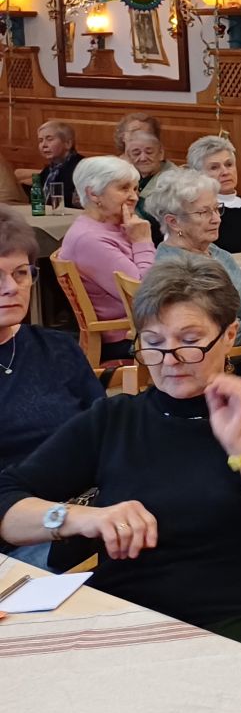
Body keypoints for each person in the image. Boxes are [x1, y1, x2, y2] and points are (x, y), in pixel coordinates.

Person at [0, 256, 241, 662]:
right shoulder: (115, 420)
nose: (170, 360)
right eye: (154, 343)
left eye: (189, 341)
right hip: (126, 610)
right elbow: (6, 499)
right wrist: (82, 518)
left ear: (229, 335)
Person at [0, 207, 104, 567]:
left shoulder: (56, 348)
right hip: (20, 534)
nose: (11, 288)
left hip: (92, 510)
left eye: (20, 273)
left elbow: (104, 431)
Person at [148, 168, 241, 385]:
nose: (216, 219)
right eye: (203, 213)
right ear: (173, 222)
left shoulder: (211, 250)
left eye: (216, 209)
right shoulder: (181, 271)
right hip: (239, 360)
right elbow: (230, 332)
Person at [59, 156, 157, 360]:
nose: (134, 197)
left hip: (143, 327)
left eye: (135, 189)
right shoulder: (90, 239)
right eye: (123, 188)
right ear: (93, 193)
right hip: (126, 337)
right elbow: (144, 295)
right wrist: (143, 241)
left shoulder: (115, 227)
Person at [187, 136, 241, 254]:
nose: (225, 172)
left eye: (229, 164)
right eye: (214, 167)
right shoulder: (195, 214)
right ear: (197, 174)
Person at [17, 120, 84, 207]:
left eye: (49, 139)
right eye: (40, 141)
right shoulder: (48, 169)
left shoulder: (82, 168)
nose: (44, 145)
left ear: (68, 143)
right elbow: (36, 202)